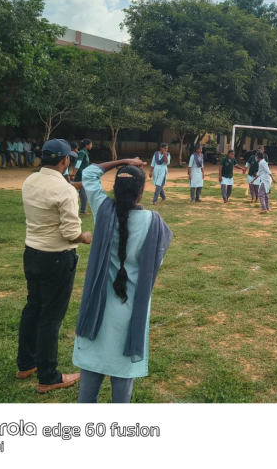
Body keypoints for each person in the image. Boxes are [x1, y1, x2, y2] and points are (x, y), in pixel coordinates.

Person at [74, 159, 172, 403]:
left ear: (115, 189)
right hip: (131, 308)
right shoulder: (154, 222)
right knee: (122, 376)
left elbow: (89, 174)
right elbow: (156, 261)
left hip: (97, 307)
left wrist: (123, 162)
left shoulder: (102, 209)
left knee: (91, 370)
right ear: (142, 190)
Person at [17, 139, 93, 393]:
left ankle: (26, 363)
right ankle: (48, 376)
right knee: (50, 317)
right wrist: (86, 237)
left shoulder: (30, 180)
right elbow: (72, 234)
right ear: (65, 160)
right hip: (56, 258)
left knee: (33, 308)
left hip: (32, 253)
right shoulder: (65, 190)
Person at [72, 139, 93, 215]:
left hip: (83, 175)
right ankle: (82, 210)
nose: (91, 146)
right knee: (81, 191)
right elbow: (78, 163)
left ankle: (82, 210)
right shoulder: (82, 153)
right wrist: (74, 174)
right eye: (90, 144)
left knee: (82, 192)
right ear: (86, 145)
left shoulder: (84, 152)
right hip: (80, 175)